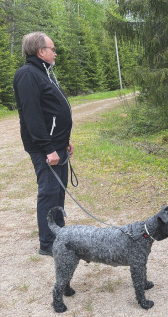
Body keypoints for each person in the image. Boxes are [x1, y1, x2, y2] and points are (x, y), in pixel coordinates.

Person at [13, 32, 74, 256]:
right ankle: (48, 243)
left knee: (58, 192)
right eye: (52, 48)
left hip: (58, 145)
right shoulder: (28, 74)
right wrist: (48, 148)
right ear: (40, 51)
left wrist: (64, 140)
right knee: (49, 193)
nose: (54, 52)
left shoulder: (44, 73)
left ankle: (60, 236)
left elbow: (53, 110)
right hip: (45, 149)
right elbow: (33, 117)